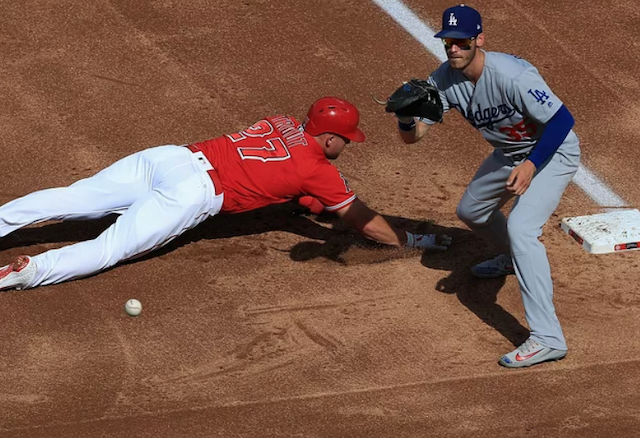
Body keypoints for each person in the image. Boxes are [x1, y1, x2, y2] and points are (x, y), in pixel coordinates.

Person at [0, 97, 451, 291]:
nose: (347, 145)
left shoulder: (280, 122)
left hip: (166, 158)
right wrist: (408, 240)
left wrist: (305, 201)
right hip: (191, 193)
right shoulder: (318, 170)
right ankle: (28, 271)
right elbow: (362, 219)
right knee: (110, 247)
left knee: (72, 198)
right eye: (346, 139)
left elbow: (273, 169)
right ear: (330, 136)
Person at [392, 5, 580, 368]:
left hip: (551, 152)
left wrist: (531, 164)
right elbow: (415, 136)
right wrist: (403, 117)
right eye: (448, 42)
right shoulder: (443, 80)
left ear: (479, 39)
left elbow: (562, 120)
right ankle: (513, 259)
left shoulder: (513, 74)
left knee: (523, 229)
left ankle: (547, 338)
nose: (453, 49)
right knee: (471, 210)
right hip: (510, 153)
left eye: (461, 42)